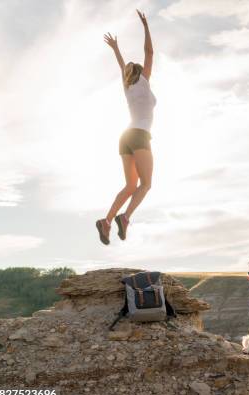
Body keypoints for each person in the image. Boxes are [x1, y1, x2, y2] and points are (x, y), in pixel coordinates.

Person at [96, 10, 156, 245]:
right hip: (140, 135)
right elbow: (149, 52)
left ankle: (107, 221)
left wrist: (116, 50)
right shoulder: (143, 80)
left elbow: (122, 64)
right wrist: (146, 25)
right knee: (146, 184)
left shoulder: (127, 84)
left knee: (131, 184)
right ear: (140, 72)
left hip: (125, 137)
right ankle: (125, 217)